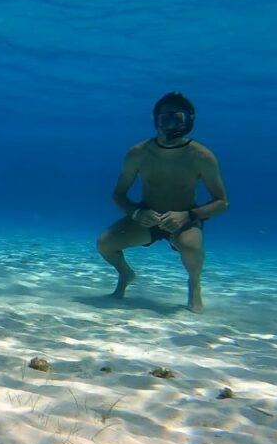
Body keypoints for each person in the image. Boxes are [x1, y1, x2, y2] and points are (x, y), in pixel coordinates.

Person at [96, 92, 229, 312]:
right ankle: (125, 274)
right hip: (146, 218)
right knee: (104, 244)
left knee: (191, 248)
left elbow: (222, 202)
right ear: (155, 120)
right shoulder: (138, 153)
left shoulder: (202, 157)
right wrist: (137, 214)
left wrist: (188, 216)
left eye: (177, 118)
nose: (170, 125)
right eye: (164, 119)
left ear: (190, 119)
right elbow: (118, 194)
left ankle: (194, 286)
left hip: (184, 221)